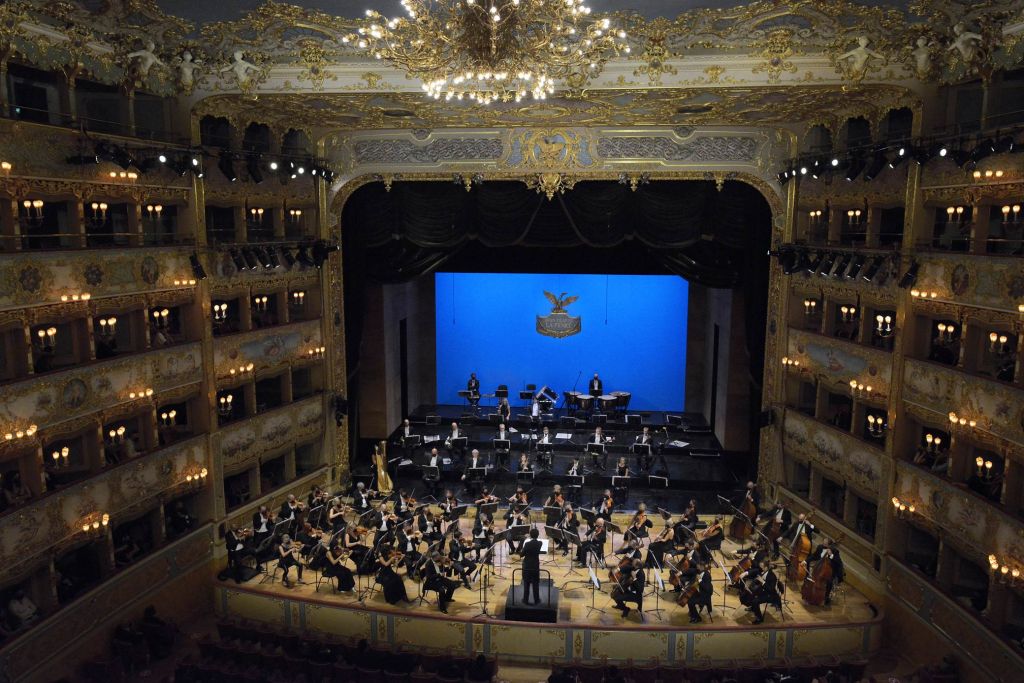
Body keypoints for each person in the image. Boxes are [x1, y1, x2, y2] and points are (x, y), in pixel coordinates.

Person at [806, 539, 844, 605]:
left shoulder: (835, 552)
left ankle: (826, 597)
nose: (823, 545)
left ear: (829, 546)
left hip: (831, 571)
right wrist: (806, 561)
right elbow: (814, 556)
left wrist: (832, 556)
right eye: (823, 543)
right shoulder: (820, 547)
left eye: (825, 544)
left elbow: (839, 563)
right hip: (820, 569)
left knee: (829, 582)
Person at [520, 527, 543, 604]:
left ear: (530, 535)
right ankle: (537, 600)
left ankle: (525, 600)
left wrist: (523, 549)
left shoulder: (527, 544)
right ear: (538, 535)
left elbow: (521, 555)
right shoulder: (540, 543)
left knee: (526, 583)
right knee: (535, 584)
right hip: (535, 565)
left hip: (527, 566)